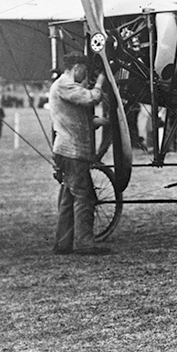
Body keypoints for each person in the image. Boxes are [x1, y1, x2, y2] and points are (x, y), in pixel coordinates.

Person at [49, 53, 111, 256]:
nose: (86, 74)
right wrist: (101, 81)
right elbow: (91, 98)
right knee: (85, 197)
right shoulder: (65, 85)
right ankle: (85, 243)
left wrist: (101, 122)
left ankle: (63, 243)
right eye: (84, 69)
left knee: (68, 199)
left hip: (67, 151)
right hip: (72, 151)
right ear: (76, 67)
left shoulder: (64, 86)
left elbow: (75, 117)